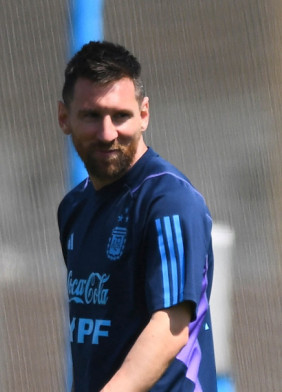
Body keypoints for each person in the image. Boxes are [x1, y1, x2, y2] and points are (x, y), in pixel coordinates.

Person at [56, 41, 217, 391]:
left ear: (144, 115)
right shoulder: (73, 208)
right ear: (64, 118)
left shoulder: (169, 200)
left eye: (121, 115)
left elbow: (171, 326)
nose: (107, 133)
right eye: (91, 116)